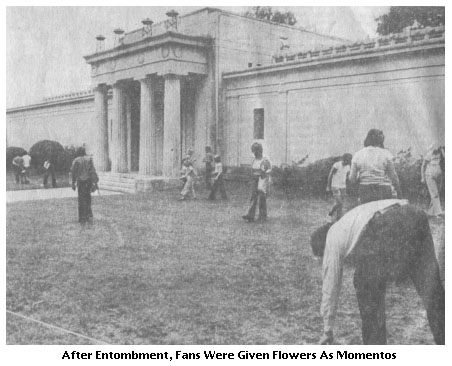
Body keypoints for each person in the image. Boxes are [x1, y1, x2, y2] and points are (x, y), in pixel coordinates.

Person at [310, 200, 444, 345]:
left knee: (364, 284)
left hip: (386, 223)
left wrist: (327, 330)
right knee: (432, 291)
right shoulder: (348, 221)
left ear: (322, 249)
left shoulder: (332, 238)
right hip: (414, 213)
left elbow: (331, 287)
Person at [349, 129, 401, 204]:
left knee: (367, 214)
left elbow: (352, 179)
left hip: (366, 190)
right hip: (383, 190)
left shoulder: (358, 154)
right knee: (384, 213)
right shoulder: (386, 153)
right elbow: (393, 176)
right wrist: (399, 191)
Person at [242, 143, 272, 222]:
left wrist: (265, 174)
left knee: (262, 197)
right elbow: (251, 170)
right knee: (253, 196)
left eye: (256, 151)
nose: (255, 153)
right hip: (254, 179)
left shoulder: (265, 160)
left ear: (260, 150)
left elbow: (269, 169)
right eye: (254, 151)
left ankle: (262, 216)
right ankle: (250, 215)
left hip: (262, 179)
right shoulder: (253, 160)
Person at [71, 147, 99, 223]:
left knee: (81, 199)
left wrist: (73, 183)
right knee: (88, 198)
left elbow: (73, 173)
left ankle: (82, 217)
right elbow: (93, 172)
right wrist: (95, 183)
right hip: (88, 182)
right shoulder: (89, 159)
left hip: (81, 182)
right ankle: (88, 215)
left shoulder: (76, 161)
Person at [326, 153, 352, 221]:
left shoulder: (348, 166)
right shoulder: (337, 164)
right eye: (347, 161)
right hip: (335, 185)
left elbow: (347, 176)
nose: (347, 162)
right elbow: (330, 175)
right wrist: (328, 186)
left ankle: (338, 218)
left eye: (349, 161)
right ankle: (329, 214)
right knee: (339, 202)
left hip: (343, 186)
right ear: (344, 159)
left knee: (341, 204)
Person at [421, 145, 444, 217]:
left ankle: (430, 212)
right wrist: (422, 177)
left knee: (436, 194)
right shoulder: (428, 155)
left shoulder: (440, 154)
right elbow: (423, 166)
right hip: (430, 176)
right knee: (435, 194)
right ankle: (438, 213)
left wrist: (442, 151)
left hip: (439, 176)